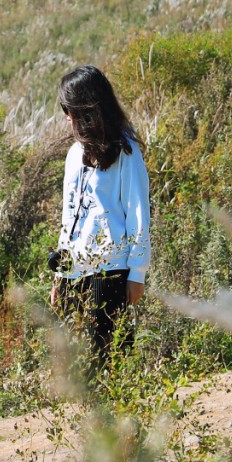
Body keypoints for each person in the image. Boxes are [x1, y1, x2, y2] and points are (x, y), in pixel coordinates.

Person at [50, 64, 150, 367]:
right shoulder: (73, 155)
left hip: (110, 273)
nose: (67, 118)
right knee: (76, 365)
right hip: (74, 271)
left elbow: (138, 216)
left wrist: (137, 274)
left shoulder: (125, 151)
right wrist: (59, 276)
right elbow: (69, 218)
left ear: (88, 110)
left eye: (71, 110)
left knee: (110, 361)